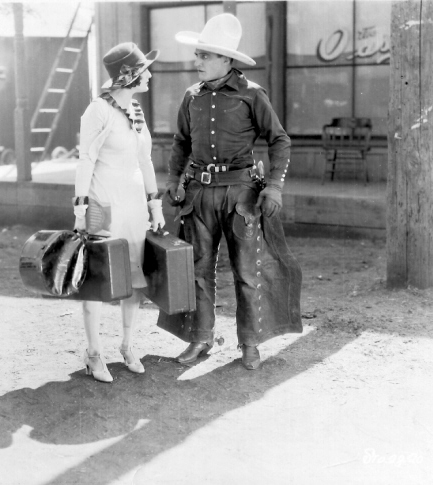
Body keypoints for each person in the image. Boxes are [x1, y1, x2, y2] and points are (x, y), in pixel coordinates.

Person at [164, 13, 303, 370]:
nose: (197, 62)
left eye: (205, 56)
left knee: (246, 271)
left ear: (226, 60)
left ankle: (250, 343)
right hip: (199, 195)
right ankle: (201, 338)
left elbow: (280, 140)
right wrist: (174, 180)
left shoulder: (252, 95)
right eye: (197, 55)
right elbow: (180, 142)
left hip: (242, 196)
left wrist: (274, 186)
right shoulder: (191, 97)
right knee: (198, 270)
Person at [73, 43, 165, 383]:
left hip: (134, 208)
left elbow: (145, 160)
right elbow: (85, 160)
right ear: (130, 75)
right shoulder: (97, 110)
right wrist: (81, 209)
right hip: (103, 206)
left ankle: (127, 345)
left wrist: (154, 205)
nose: (150, 75)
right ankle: (94, 353)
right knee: (97, 281)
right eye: (144, 70)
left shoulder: (136, 110)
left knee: (134, 280)